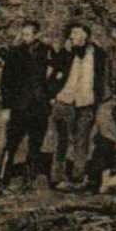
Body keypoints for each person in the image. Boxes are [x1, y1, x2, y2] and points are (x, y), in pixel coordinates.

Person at [47, 21, 109, 190]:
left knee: (82, 142)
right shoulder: (64, 53)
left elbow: (101, 80)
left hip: (86, 103)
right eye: (73, 33)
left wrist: (97, 101)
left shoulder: (98, 54)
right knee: (61, 141)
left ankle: (78, 177)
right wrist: (52, 97)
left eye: (79, 33)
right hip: (64, 102)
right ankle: (56, 178)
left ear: (86, 35)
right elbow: (52, 75)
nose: (75, 37)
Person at [0, 20, 51, 191]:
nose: (25, 37)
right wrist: (6, 107)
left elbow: (57, 74)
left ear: (37, 34)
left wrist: (51, 97)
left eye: (28, 34)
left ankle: (29, 179)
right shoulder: (15, 53)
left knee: (35, 145)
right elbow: (5, 83)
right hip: (19, 107)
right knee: (11, 144)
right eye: (23, 34)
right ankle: (2, 179)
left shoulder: (47, 51)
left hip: (40, 107)